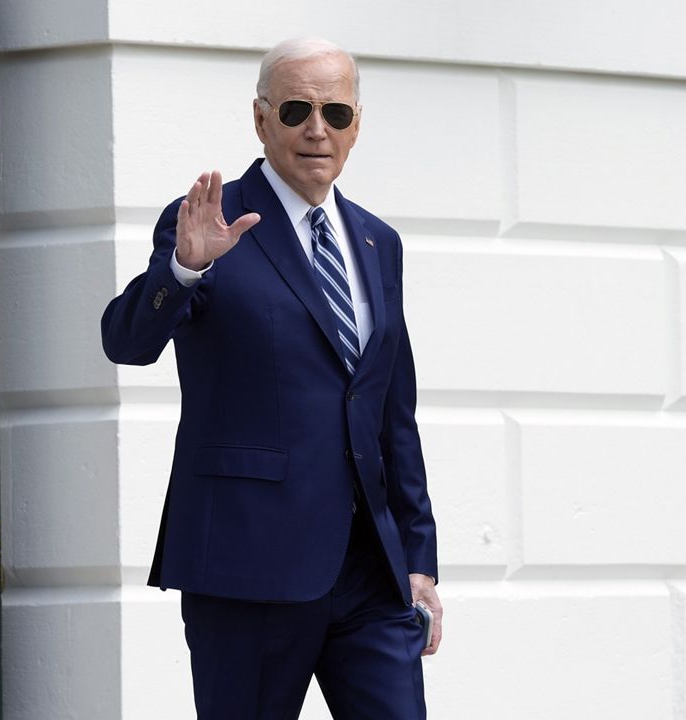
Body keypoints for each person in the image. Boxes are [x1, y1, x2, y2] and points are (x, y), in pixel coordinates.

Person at [100, 37, 442, 719]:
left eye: (336, 114)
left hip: (368, 572)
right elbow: (127, 341)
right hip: (247, 563)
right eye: (296, 110)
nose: (318, 129)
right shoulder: (209, 219)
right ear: (261, 120)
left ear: (356, 125)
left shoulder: (379, 241)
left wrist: (419, 558)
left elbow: (390, 413)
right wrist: (183, 271)